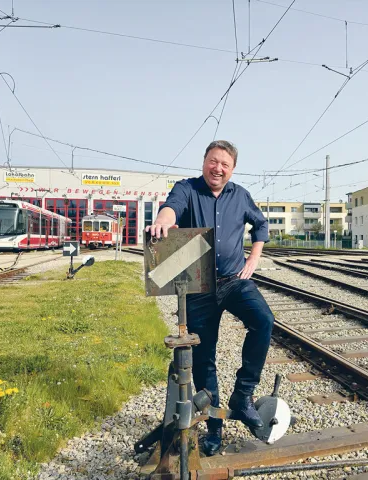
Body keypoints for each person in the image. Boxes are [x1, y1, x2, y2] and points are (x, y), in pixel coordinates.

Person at [145, 140, 274, 457]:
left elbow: (260, 224)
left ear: (232, 169)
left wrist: (254, 258)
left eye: (225, 164)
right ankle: (213, 430)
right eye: (213, 161)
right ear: (204, 162)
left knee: (264, 321)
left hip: (233, 280)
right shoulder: (187, 189)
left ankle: (242, 397)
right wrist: (163, 221)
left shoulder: (241, 195)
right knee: (205, 361)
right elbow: (171, 208)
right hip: (198, 285)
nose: (218, 168)